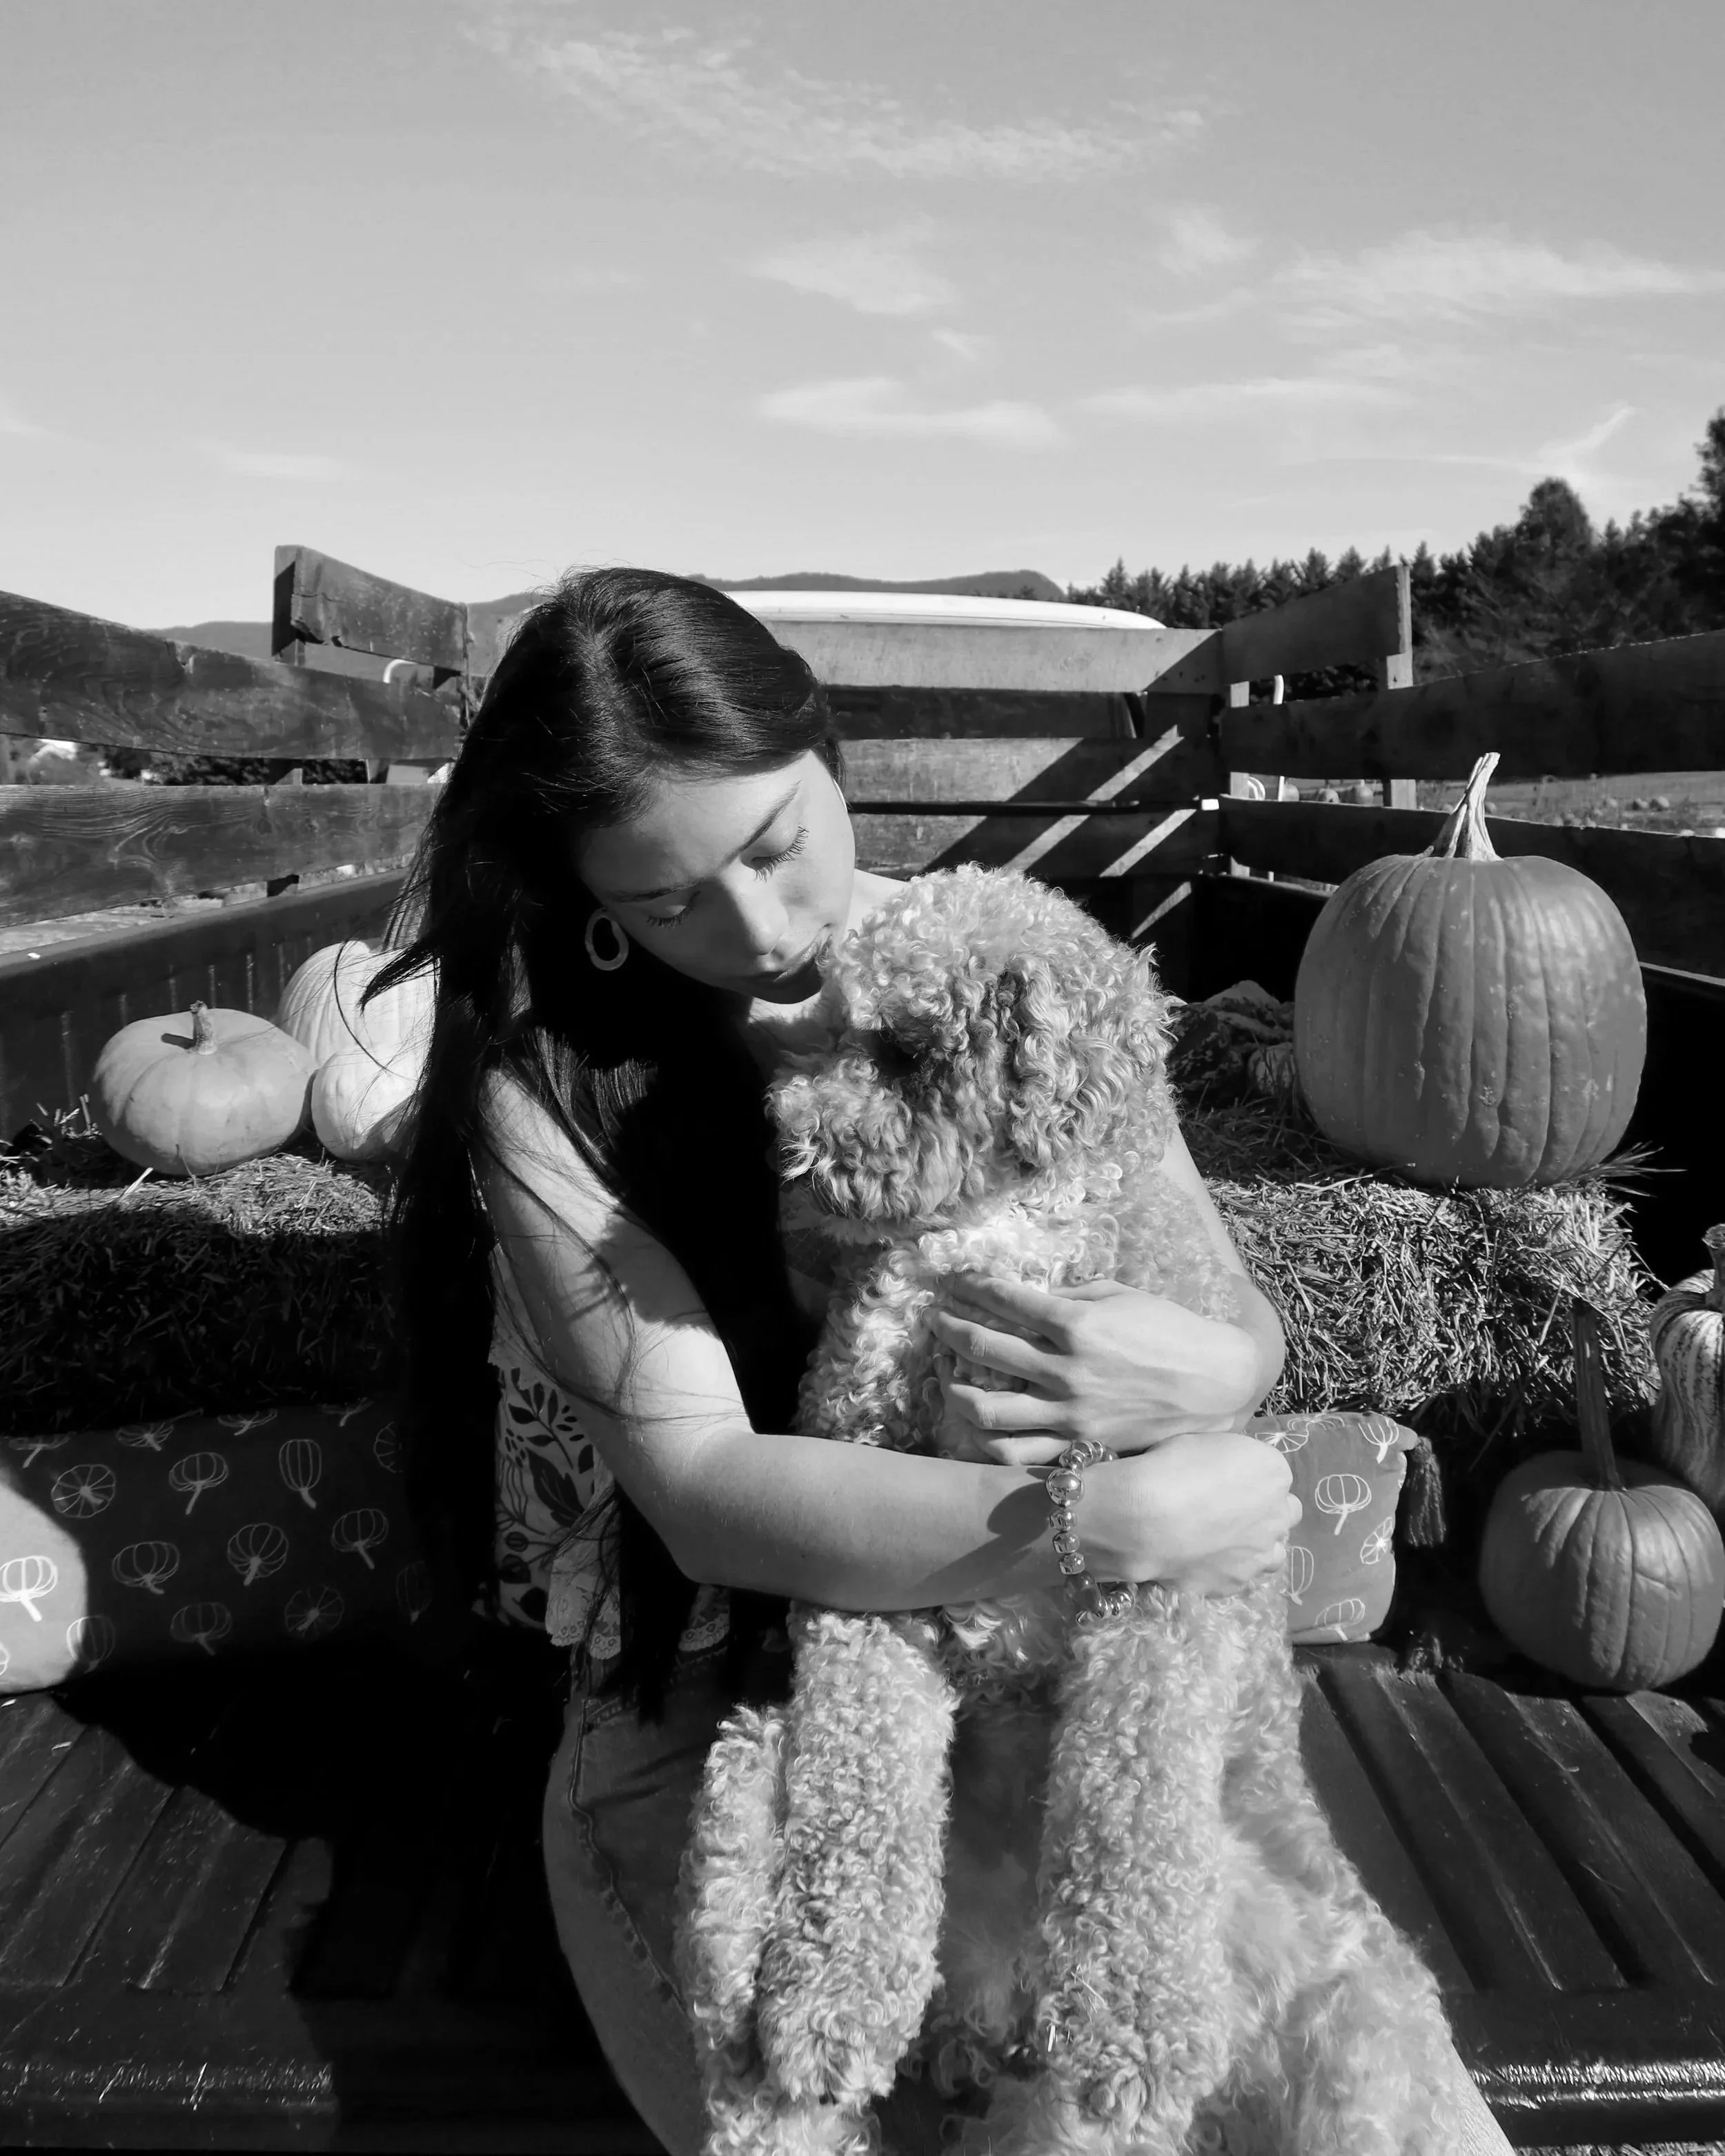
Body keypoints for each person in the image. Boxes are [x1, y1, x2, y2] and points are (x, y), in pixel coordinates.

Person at [378, 568, 1504, 2156]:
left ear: (825, 753)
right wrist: (1102, 1522)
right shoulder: (547, 1086)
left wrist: (1207, 1380)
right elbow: (703, 1489)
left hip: (1051, 1698)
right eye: (668, 901)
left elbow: (1223, 1303)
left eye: (775, 843)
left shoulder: (980, 964)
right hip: (718, 1701)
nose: (759, 931)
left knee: (1335, 2071)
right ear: (591, 906)